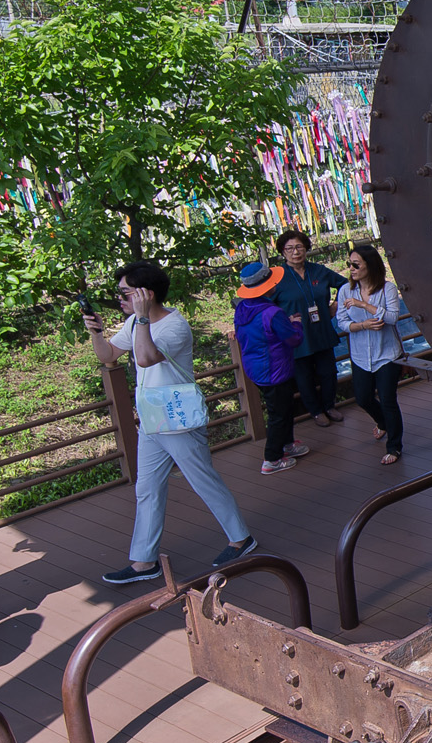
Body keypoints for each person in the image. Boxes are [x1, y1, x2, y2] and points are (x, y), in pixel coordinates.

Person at [86, 261, 256, 584]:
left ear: (145, 294)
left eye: (125, 293)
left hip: (177, 418)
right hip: (152, 418)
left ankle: (241, 537)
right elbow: (107, 354)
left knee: (202, 478)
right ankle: (143, 561)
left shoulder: (174, 326)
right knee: (147, 488)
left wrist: (140, 318)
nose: (119, 299)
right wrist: (95, 331)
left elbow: (147, 357)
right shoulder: (135, 323)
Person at [233, 261, 309, 475]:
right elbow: (293, 339)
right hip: (275, 369)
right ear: (268, 285)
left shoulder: (242, 308)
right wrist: (295, 323)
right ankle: (272, 458)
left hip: (256, 368)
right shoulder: (272, 313)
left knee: (281, 409)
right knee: (279, 414)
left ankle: (287, 445)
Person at [335, 243, 407, 465]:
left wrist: (364, 305)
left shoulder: (388, 289)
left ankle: (394, 447)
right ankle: (383, 423)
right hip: (359, 355)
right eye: (349, 264)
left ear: (370, 265)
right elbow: (342, 322)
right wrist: (363, 325)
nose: (351, 269)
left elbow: (393, 317)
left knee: (388, 399)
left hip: (387, 354)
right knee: (363, 397)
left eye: (356, 264)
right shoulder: (345, 290)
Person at [271, 231, 347, 428]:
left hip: (321, 330)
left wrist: (335, 306)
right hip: (296, 336)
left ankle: (330, 406)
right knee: (304, 377)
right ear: (283, 252)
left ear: (306, 248)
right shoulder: (277, 278)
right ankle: (315, 411)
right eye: (289, 248)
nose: (295, 252)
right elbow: (266, 307)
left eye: (299, 247)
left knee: (328, 372)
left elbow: (345, 284)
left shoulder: (319, 271)